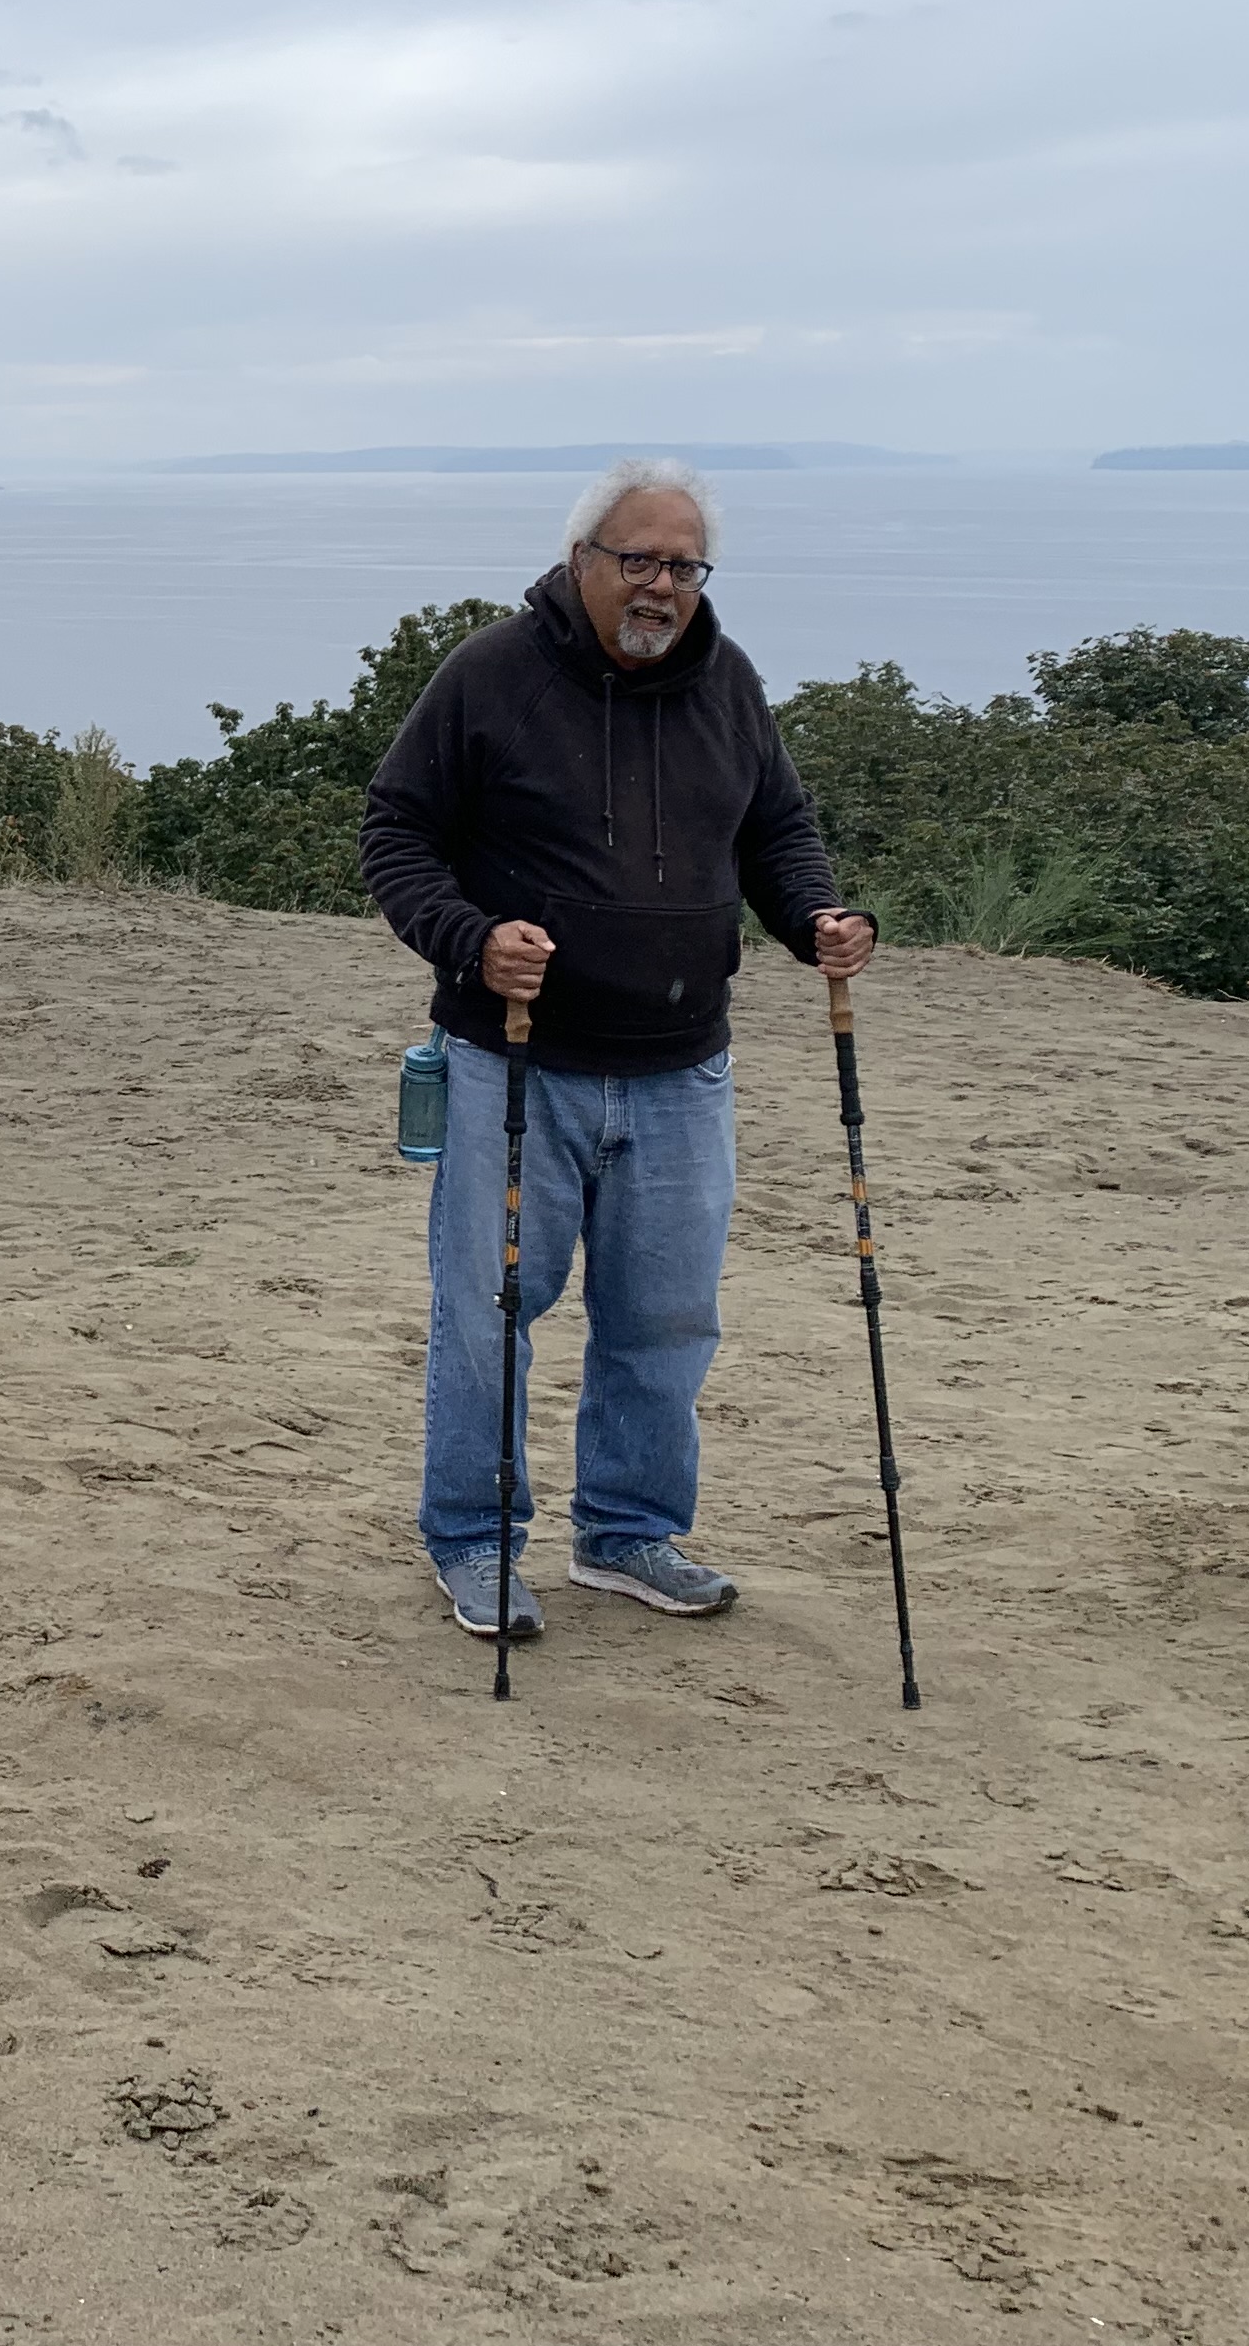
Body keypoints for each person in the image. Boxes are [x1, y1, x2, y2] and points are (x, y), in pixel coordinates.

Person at [361, 459, 874, 1641]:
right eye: (637, 560)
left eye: (683, 565)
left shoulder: (727, 682)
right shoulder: (492, 673)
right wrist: (471, 939)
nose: (661, 586)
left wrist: (816, 921)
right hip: (515, 1063)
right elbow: (396, 831)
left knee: (667, 1316)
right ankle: (476, 1542)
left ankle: (629, 1531)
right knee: (491, 1311)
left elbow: (777, 831)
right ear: (582, 561)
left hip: (686, 1068)